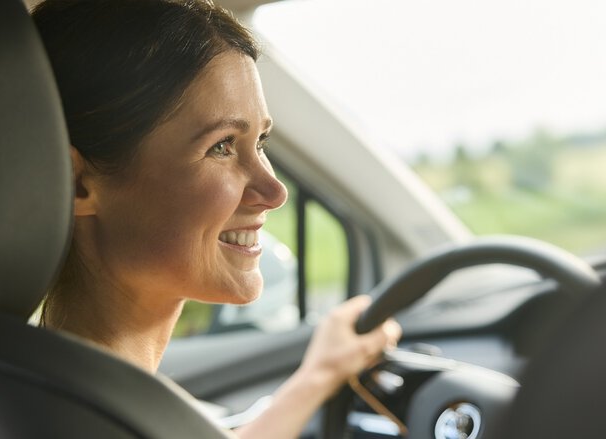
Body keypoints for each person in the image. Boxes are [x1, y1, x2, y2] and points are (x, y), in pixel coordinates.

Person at [30, 0, 402, 437]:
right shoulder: (96, 419)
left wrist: (316, 378)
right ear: (77, 183)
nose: (275, 192)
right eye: (222, 146)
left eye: (261, 142)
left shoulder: (44, 384)